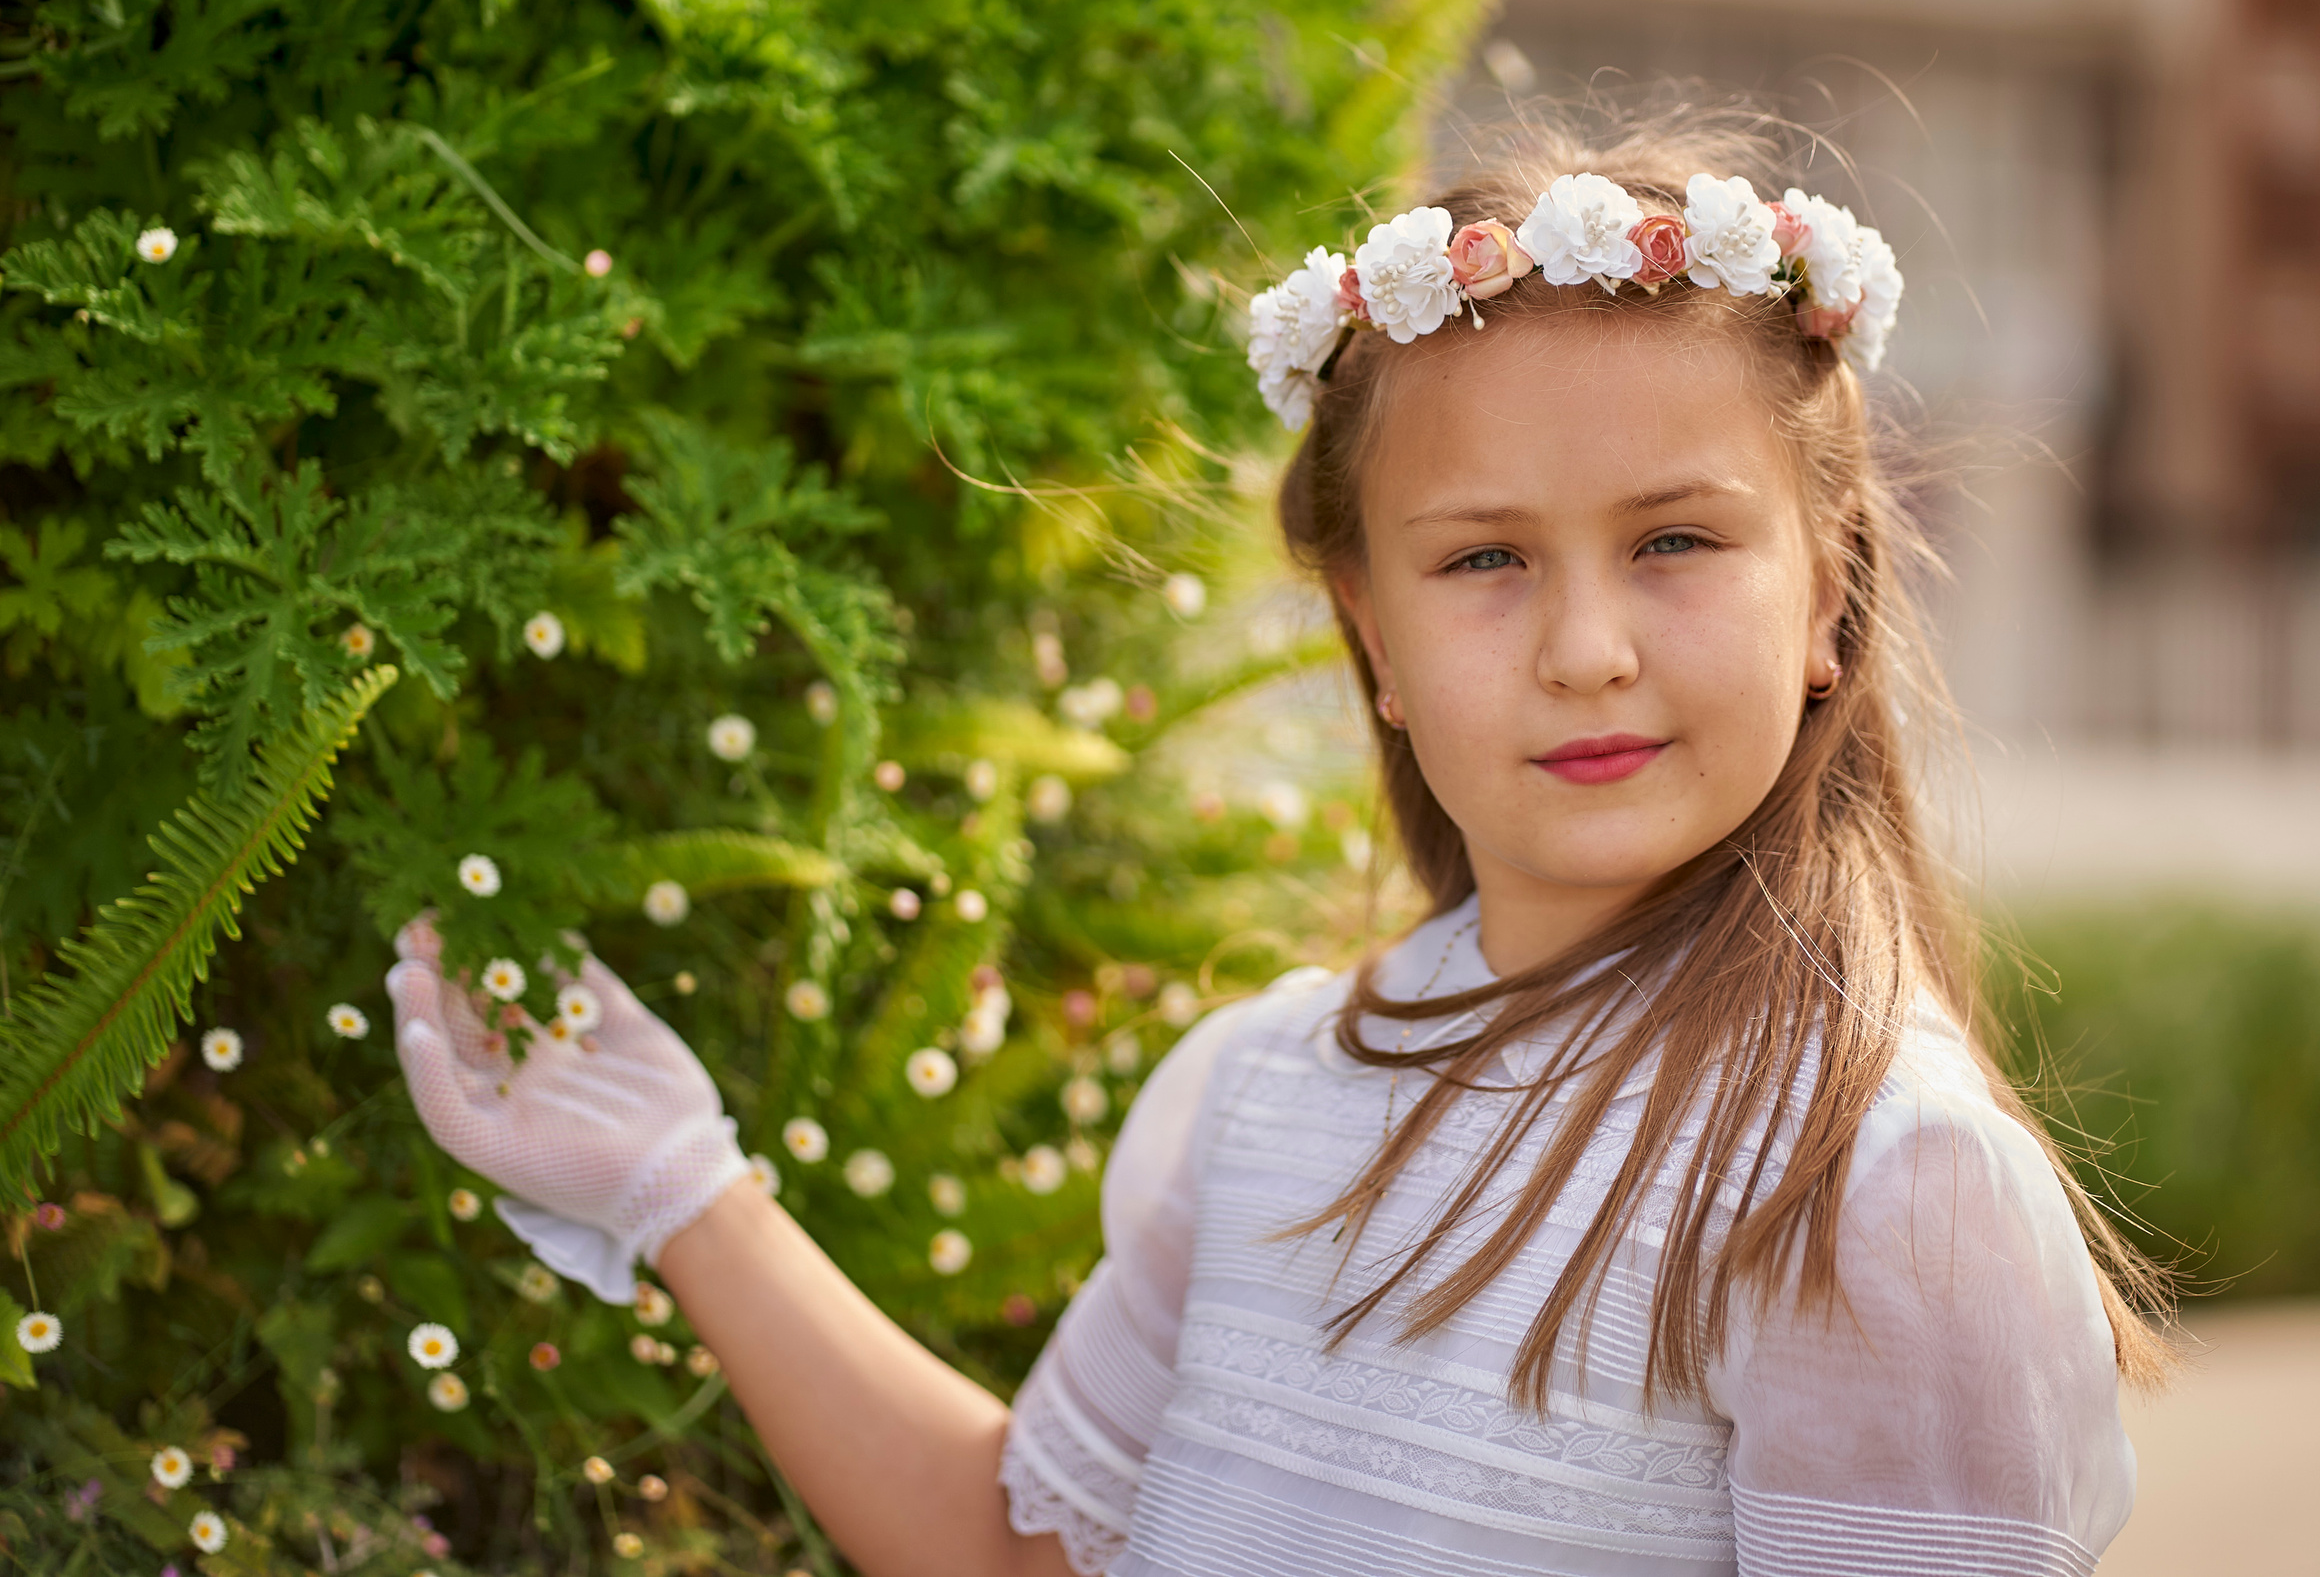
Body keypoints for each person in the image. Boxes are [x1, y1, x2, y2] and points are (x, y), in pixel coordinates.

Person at [390, 115, 2173, 1577]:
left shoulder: (1864, 1180)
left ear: (1831, 594)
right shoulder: (1271, 1089)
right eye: (1484, 559)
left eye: (1677, 542)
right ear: (1374, 638)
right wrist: (680, 1188)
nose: (1585, 648)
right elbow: (1027, 1554)